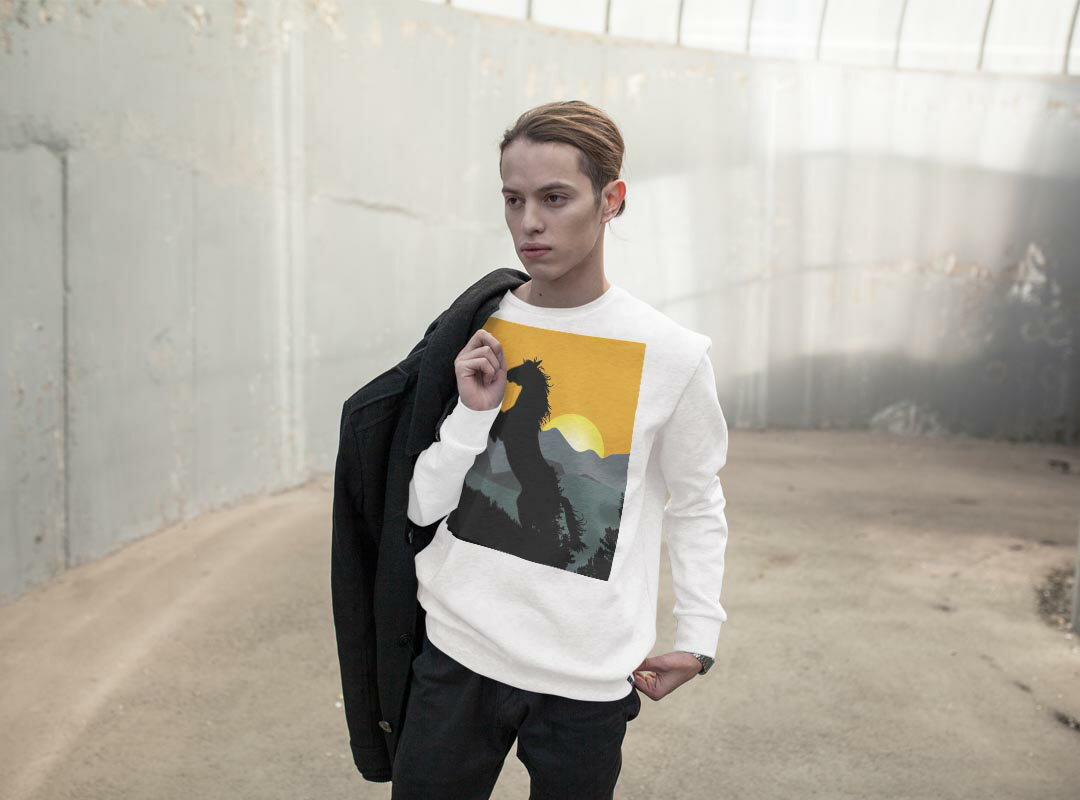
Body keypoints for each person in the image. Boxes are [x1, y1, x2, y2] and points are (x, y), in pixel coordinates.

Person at [390, 100, 730, 800]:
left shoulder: (672, 355)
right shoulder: (478, 324)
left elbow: (698, 501)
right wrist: (470, 419)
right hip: (457, 650)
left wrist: (699, 634)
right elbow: (420, 505)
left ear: (612, 201)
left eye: (554, 198)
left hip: (585, 677)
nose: (529, 223)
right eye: (513, 200)